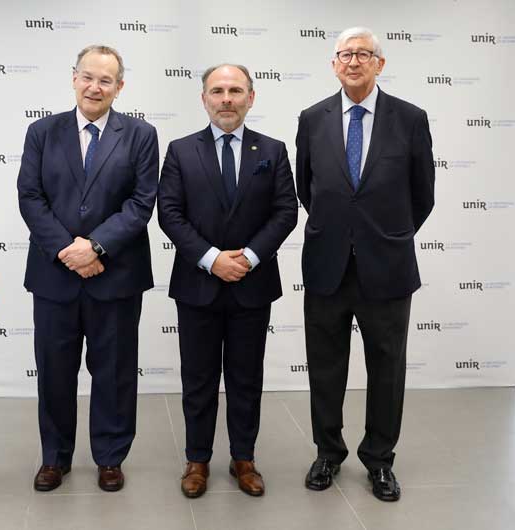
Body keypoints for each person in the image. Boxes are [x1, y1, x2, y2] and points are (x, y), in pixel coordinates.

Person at [296, 27, 435, 502]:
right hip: (327, 266)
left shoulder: (410, 119)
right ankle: (328, 453)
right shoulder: (312, 119)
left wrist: (386, 234)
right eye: (345, 55)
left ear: (380, 63)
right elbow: (306, 188)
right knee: (325, 367)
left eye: (363, 54)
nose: (353, 62)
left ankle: (379, 460)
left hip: (388, 266)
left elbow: (423, 195)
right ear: (334, 64)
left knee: (387, 369)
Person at [17, 45, 159, 493]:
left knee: (114, 372)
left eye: (106, 80)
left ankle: (110, 457)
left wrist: (96, 246)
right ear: (73, 78)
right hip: (54, 275)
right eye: (87, 77)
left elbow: (141, 203)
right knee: (55, 370)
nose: (95, 87)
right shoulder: (42, 131)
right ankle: (54, 458)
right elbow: (30, 197)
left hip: (115, 275)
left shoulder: (140, 134)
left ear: (120, 87)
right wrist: (68, 250)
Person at [158, 64, 297, 498]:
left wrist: (250, 258)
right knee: (198, 379)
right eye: (217, 91)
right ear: (203, 99)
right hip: (198, 285)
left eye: (235, 90)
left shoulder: (272, 150)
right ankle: (197, 460)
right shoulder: (181, 150)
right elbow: (170, 213)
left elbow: (285, 212)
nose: (226, 99)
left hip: (252, 286)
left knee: (245, 377)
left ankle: (244, 459)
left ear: (251, 98)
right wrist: (212, 258)